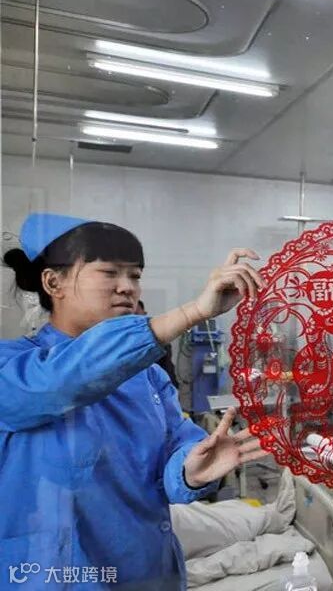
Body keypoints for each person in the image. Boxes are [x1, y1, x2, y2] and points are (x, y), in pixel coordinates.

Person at [0, 213, 268, 589]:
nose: (127, 287)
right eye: (110, 273)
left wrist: (190, 469)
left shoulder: (149, 377)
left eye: (135, 275)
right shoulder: (12, 367)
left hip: (149, 572)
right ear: (53, 282)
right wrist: (192, 312)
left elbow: (174, 453)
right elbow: (63, 380)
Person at [136, 299, 180, 387]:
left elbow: (167, 369)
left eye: (137, 314)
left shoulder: (156, 338)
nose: (134, 319)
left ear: (144, 314)